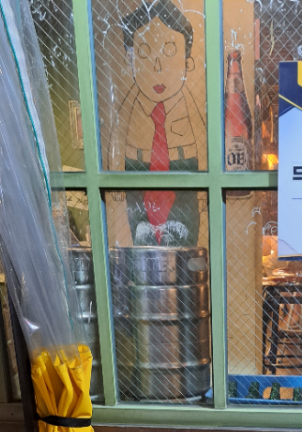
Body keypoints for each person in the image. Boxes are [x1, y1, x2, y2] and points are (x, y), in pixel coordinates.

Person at [107, 0, 207, 248]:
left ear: (187, 62)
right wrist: (115, 180)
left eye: (170, 51)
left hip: (185, 174)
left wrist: (206, 189)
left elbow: (204, 141)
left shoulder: (190, 107)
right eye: (144, 52)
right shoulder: (128, 110)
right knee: (142, 244)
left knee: (185, 246)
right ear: (130, 61)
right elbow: (117, 138)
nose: (157, 66)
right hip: (137, 173)